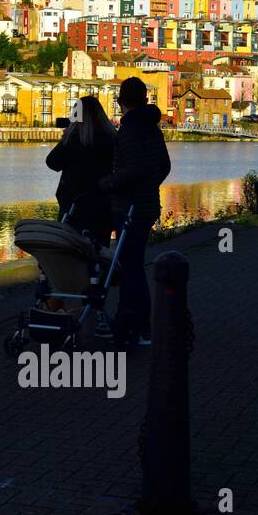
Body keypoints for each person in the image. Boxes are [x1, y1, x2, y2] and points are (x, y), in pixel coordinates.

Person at [99, 77, 170, 348]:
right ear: (145, 99)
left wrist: (109, 182)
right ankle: (135, 323)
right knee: (134, 264)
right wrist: (150, 186)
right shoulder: (153, 128)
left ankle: (137, 326)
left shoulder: (129, 130)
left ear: (120, 102)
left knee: (130, 269)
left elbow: (134, 170)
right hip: (148, 205)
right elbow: (163, 165)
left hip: (129, 209)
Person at [45, 95, 115, 242]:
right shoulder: (112, 138)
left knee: (72, 250)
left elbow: (52, 162)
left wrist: (65, 137)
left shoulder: (74, 139)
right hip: (102, 204)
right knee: (99, 250)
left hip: (74, 205)